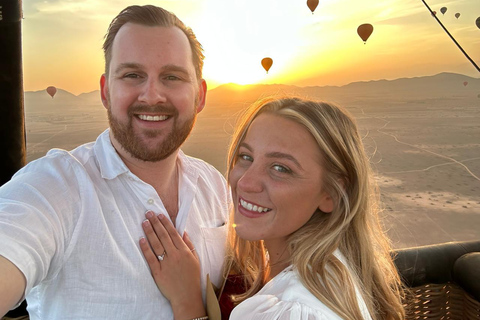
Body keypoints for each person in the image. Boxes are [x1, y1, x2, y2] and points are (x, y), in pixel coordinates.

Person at [0, 5, 230, 320]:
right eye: (132, 75)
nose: (152, 96)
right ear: (106, 91)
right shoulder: (57, 186)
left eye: (172, 77)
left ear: (200, 96)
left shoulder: (216, 186)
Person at [141, 97, 406, 319]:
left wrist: (187, 302)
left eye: (281, 168)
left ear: (332, 194)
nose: (245, 182)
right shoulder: (334, 270)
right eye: (246, 157)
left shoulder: (291, 311)